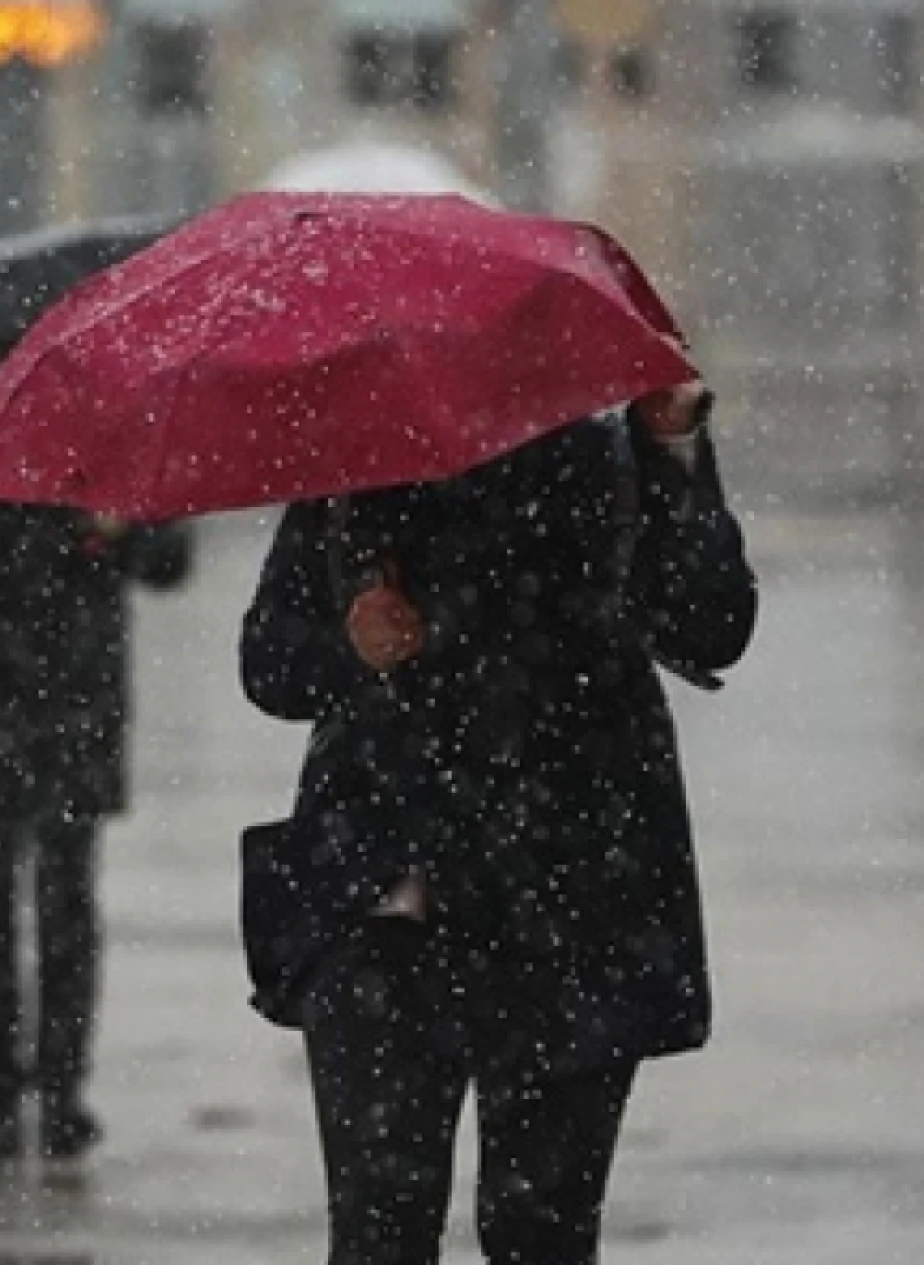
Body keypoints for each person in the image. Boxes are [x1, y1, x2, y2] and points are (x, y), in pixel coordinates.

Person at [238, 372, 757, 1264]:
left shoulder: (617, 460)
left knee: (542, 1230)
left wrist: (672, 449)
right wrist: (349, 644)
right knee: (378, 1228)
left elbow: (710, 625)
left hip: (571, 903)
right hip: (387, 906)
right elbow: (270, 664)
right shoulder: (355, 467)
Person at [0, 372, 192, 1168]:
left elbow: (167, 558)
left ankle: (60, 1092)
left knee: (66, 910)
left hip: (73, 707)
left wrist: (122, 528)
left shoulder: (109, 426)